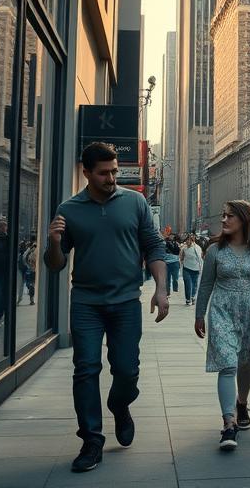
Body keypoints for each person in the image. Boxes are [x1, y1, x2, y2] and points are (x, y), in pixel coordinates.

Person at [45, 141, 169, 473]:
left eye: (114, 170)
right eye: (104, 173)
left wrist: (161, 289)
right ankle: (91, 441)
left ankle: (119, 404)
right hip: (86, 302)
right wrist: (54, 242)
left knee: (127, 370)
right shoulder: (69, 209)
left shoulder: (135, 202)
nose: (112, 177)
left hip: (127, 301)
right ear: (86, 173)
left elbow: (154, 247)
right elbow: (55, 265)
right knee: (85, 369)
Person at [194, 200, 250, 451]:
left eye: (229, 216)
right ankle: (228, 423)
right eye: (222, 216)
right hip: (222, 311)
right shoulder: (215, 251)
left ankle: (241, 402)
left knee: (244, 362)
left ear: (244, 220)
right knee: (227, 364)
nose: (223, 220)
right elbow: (205, 285)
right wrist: (199, 314)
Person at [180, 234, 204, 306]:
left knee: (194, 284)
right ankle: (188, 299)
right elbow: (181, 258)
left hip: (195, 269)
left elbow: (200, 258)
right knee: (188, 284)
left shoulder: (197, 248)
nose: (187, 241)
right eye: (186, 240)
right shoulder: (184, 248)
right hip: (186, 268)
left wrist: (200, 268)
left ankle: (193, 296)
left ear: (192, 240)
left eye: (189, 240)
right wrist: (181, 262)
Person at [163, 228, 182, 295]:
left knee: (175, 278)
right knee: (167, 279)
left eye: (172, 236)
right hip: (166, 263)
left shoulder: (177, 243)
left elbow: (176, 252)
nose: (171, 237)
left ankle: (175, 288)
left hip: (175, 262)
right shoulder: (164, 242)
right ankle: (168, 292)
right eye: (170, 236)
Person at [22, 240, 37, 305]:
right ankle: (32, 299)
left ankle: (32, 300)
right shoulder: (38, 251)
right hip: (35, 270)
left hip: (32, 270)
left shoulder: (30, 251)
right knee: (32, 285)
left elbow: (24, 258)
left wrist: (28, 266)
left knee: (31, 285)